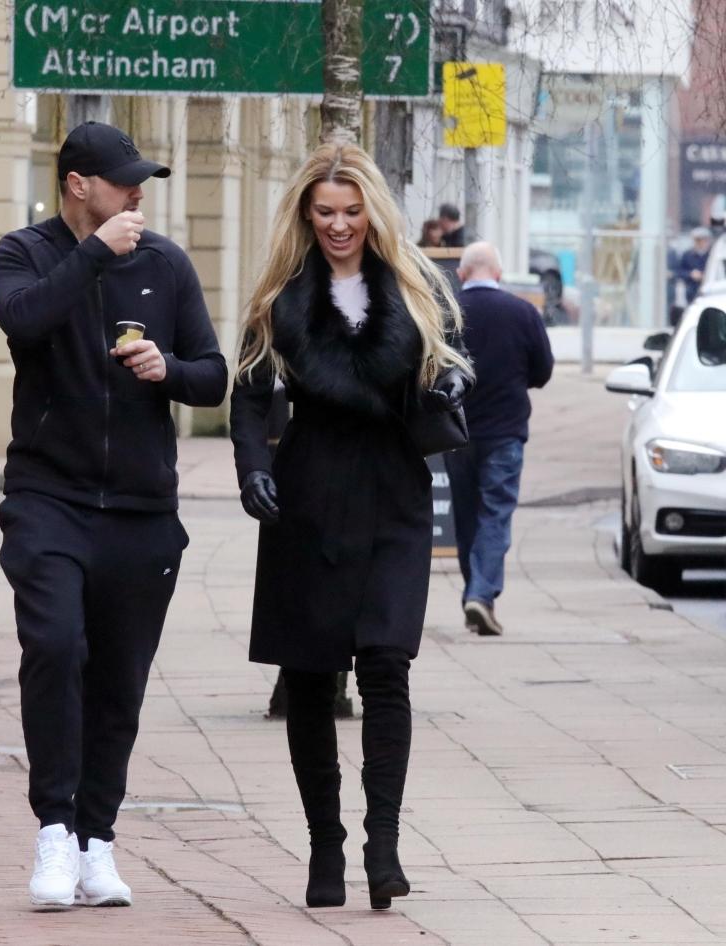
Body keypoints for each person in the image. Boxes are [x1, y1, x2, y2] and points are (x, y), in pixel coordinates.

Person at [0, 121, 227, 909]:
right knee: (55, 645)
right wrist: (94, 255)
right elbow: (24, 321)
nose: (138, 194)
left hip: (140, 508)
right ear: (77, 185)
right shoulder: (25, 253)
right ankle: (54, 834)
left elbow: (213, 374)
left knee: (119, 682)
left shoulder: (165, 265)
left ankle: (98, 841)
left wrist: (168, 370)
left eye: (143, 181)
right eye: (123, 181)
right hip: (47, 500)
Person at [230, 144, 473, 911]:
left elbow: (456, 369)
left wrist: (451, 382)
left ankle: (384, 846)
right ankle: (325, 847)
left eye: (352, 211)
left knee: (387, 667)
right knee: (308, 675)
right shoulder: (279, 299)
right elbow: (245, 396)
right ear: (306, 213)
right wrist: (252, 469)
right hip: (308, 490)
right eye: (325, 212)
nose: (339, 225)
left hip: (394, 491)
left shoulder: (417, 289)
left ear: (374, 212)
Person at [443, 242, 554, 636]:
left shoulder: (448, 313)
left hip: (456, 431)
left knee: (467, 515)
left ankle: (477, 593)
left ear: (461, 274)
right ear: (500, 275)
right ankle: (481, 593)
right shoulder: (523, 312)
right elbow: (542, 371)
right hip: (504, 431)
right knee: (496, 513)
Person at [677, 226, 712, 304]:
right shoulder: (687, 255)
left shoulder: (713, 255)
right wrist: (690, 274)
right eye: (697, 240)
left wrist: (705, 275)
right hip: (692, 291)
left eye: (703, 240)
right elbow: (679, 272)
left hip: (710, 291)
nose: (700, 243)